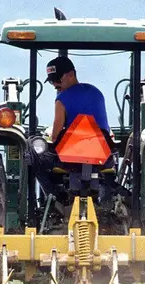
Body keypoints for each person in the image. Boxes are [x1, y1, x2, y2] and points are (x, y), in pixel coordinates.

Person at [25, 56, 113, 207]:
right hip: (102, 157)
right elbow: (104, 127)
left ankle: (54, 197)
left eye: (57, 80)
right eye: (52, 81)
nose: (54, 85)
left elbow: (55, 136)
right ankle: (108, 200)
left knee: (31, 149)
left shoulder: (61, 99)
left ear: (71, 74)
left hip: (70, 159)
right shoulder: (97, 94)